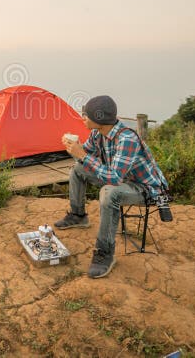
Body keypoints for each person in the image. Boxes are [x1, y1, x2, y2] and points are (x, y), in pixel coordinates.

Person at [55, 95, 169, 279]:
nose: (82, 118)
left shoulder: (126, 139)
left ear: (99, 119)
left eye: (86, 115)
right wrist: (74, 150)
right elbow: (87, 159)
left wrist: (83, 155)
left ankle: (105, 252)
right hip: (122, 179)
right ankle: (78, 215)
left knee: (109, 192)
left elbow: (114, 179)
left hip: (146, 189)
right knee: (78, 169)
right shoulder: (97, 133)